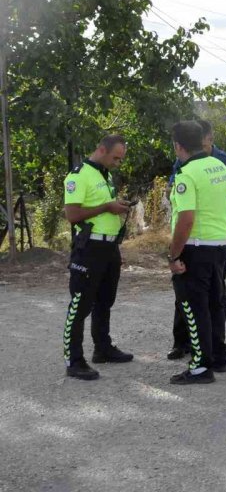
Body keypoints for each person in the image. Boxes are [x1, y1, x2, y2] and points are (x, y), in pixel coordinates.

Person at [167, 120, 226, 366]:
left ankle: (200, 366)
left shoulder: (186, 174)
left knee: (193, 306)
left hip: (195, 247)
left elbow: (186, 219)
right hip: (219, 244)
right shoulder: (219, 167)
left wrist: (173, 255)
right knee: (215, 302)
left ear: (178, 146)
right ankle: (219, 356)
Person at [61, 135, 134, 380]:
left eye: (120, 159)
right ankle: (74, 360)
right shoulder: (79, 175)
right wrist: (107, 207)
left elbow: (104, 206)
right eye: (115, 157)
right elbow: (72, 214)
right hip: (89, 248)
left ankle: (102, 349)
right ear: (101, 149)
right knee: (80, 305)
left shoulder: (105, 174)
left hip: (108, 248)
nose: (118, 163)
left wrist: (116, 206)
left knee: (105, 301)